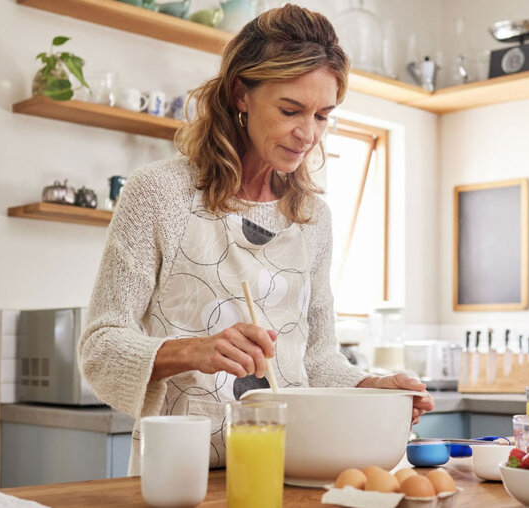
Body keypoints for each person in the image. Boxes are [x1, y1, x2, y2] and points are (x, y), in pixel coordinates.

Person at [77, 4, 433, 473]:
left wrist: (369, 387)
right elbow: (100, 346)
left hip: (286, 466)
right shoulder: (159, 194)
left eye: (323, 116)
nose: (308, 133)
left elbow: (316, 360)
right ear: (240, 93)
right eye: (291, 110)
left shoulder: (311, 218)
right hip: (181, 472)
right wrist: (191, 350)